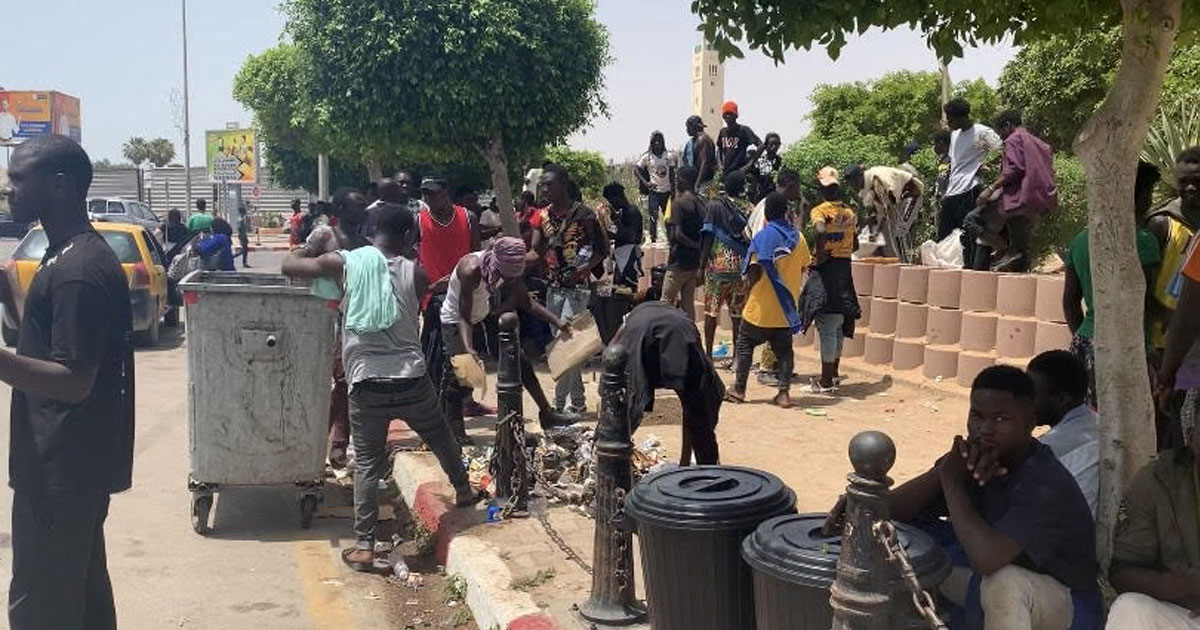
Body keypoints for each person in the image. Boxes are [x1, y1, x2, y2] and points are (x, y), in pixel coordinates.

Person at [282, 202, 481, 572]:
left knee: (369, 464)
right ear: (408, 237)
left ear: (368, 234)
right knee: (440, 437)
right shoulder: (417, 273)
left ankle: (364, 546)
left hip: (365, 380)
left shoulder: (344, 263)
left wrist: (313, 244)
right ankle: (465, 491)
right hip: (411, 377)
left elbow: (289, 266)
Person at [828, 366, 1100, 630]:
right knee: (903, 542)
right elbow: (894, 512)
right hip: (987, 577)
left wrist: (952, 481)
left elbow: (986, 559)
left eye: (1001, 419)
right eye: (977, 416)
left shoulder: (1044, 482)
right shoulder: (971, 460)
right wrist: (941, 471)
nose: (985, 429)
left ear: (1029, 424)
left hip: (1065, 602)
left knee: (1004, 583)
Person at [0, 135, 135, 630]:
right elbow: (45, 344)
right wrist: (11, 294)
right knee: (81, 595)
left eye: (17, 178)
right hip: (69, 466)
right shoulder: (66, 254)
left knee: (42, 607)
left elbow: (74, 380)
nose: (8, 189)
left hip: (62, 468)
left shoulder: (78, 270)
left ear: (58, 186)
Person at [441, 237, 578, 437]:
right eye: (509, 276)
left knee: (519, 361)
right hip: (456, 321)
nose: (512, 280)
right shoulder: (470, 269)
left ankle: (547, 414)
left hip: (484, 314)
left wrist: (557, 322)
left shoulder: (509, 269)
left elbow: (526, 302)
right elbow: (463, 316)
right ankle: (454, 433)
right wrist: (469, 348)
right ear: (497, 264)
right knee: (460, 374)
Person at [1064, 161, 1161, 407]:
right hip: (1127, 345)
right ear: (1135, 196)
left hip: (1086, 340)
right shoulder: (1143, 241)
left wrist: (1083, 336)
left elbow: (1070, 300)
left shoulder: (1080, 240)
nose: (1149, 200)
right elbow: (1144, 301)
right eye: (1148, 193)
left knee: (1091, 422)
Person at [292, 188, 372, 468]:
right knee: (312, 381)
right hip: (317, 317)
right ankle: (308, 443)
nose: (363, 212)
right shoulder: (325, 235)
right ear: (339, 210)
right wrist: (325, 268)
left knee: (345, 381)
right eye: (357, 207)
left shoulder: (365, 243)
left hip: (349, 320)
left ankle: (332, 446)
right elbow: (294, 263)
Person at [530, 164, 608, 416]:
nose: (545, 188)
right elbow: (536, 249)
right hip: (553, 287)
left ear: (564, 184)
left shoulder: (584, 215)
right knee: (563, 342)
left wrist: (584, 269)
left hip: (577, 288)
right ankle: (578, 400)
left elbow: (601, 250)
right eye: (543, 184)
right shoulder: (541, 217)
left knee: (566, 340)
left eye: (550, 184)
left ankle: (559, 403)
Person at [1105, 420, 1200, 628]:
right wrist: (1183, 585)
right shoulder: (1157, 481)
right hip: (1188, 613)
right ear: (1192, 437)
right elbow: (1122, 572)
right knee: (1129, 608)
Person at [615, 297, 725, 465]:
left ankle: (613, 456)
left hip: (652, 341)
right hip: (684, 341)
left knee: (628, 403)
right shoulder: (673, 313)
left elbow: (614, 347)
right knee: (696, 405)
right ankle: (703, 466)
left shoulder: (633, 318)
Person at [725, 192, 810, 409]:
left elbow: (754, 270)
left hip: (759, 308)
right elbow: (803, 266)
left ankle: (739, 389)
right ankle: (783, 394)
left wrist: (749, 291)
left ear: (767, 214)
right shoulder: (799, 239)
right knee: (784, 352)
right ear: (785, 212)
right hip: (785, 309)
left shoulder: (762, 237)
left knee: (744, 346)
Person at [965, 110, 1057, 272]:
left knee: (972, 220)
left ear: (1007, 125)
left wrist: (990, 189)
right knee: (1022, 250)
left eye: (1000, 131)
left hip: (1018, 199)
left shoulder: (1013, 139)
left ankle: (1006, 249)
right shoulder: (1037, 142)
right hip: (1038, 200)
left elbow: (1013, 169)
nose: (1000, 136)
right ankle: (1014, 258)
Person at [805, 167, 860, 393]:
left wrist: (819, 254)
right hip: (844, 268)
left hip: (827, 268)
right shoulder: (850, 212)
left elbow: (819, 231)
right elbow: (855, 244)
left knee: (827, 323)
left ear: (821, 187)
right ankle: (834, 373)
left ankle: (826, 381)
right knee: (838, 323)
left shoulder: (819, 211)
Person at [1027, 350, 1099, 515]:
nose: (1025, 402)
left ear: (1062, 400)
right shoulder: (1098, 424)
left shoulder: (1048, 449)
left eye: (1032, 395)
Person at [1146, 148, 1200, 359]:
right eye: (1183, 181)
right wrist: (1171, 317)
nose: (1190, 187)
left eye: (1196, 181)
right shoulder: (1161, 224)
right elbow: (1141, 290)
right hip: (1163, 342)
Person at [940, 99, 1003, 265]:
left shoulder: (982, 132)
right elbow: (955, 163)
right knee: (944, 235)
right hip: (952, 191)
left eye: (951, 119)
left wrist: (986, 165)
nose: (949, 123)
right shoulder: (954, 135)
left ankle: (971, 270)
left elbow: (1002, 150)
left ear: (962, 117)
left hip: (969, 188)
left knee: (968, 236)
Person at [699, 170, 751, 367]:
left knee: (711, 313)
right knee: (737, 316)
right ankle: (737, 357)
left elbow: (708, 235)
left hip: (718, 267)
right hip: (742, 268)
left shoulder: (714, 205)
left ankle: (709, 356)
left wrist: (701, 265)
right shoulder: (748, 207)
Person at [844, 162, 924, 262]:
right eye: (851, 184)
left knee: (900, 231)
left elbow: (889, 208)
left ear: (860, 176)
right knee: (888, 235)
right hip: (898, 202)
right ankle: (900, 261)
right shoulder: (867, 188)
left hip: (911, 196)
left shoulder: (876, 182)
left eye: (854, 182)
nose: (853, 186)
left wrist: (876, 233)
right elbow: (877, 213)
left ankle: (905, 265)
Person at [661, 165, 705, 322]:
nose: (676, 182)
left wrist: (694, 245)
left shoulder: (678, 204)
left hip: (678, 264)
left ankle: (662, 340)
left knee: (665, 304)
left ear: (685, 181)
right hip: (693, 264)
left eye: (678, 179)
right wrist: (699, 249)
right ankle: (691, 338)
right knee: (688, 307)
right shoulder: (701, 203)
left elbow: (677, 235)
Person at [635, 131, 677, 244]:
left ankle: (670, 238)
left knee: (668, 217)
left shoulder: (668, 156)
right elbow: (636, 169)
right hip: (654, 192)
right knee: (653, 216)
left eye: (660, 140)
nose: (658, 143)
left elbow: (672, 173)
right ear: (652, 142)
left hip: (667, 191)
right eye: (655, 141)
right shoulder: (647, 157)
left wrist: (674, 190)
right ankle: (653, 239)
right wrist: (646, 183)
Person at [716, 101, 762, 180]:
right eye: (725, 114)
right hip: (726, 172)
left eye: (730, 114)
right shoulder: (722, 132)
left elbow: (761, 145)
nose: (727, 116)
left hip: (739, 171)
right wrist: (720, 165)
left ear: (735, 115)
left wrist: (749, 164)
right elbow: (719, 149)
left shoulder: (743, 130)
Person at [682, 114, 717, 195]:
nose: (687, 130)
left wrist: (697, 183)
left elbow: (705, 163)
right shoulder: (694, 141)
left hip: (704, 182)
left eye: (688, 127)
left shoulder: (703, 139)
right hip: (699, 180)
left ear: (694, 127)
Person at [745, 132, 782, 204]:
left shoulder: (781, 162)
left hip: (776, 198)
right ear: (766, 146)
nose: (774, 147)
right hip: (760, 199)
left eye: (776, 144)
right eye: (771, 144)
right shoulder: (759, 161)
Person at [933, 130, 953, 206]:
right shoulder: (943, 160)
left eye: (935, 144)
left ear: (941, 143)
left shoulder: (953, 159)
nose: (934, 147)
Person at [236, 203, 252, 268]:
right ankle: (234, 257)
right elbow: (239, 228)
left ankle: (244, 262)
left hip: (243, 235)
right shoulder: (241, 219)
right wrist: (242, 235)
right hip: (242, 236)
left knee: (245, 249)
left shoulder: (241, 218)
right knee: (244, 250)